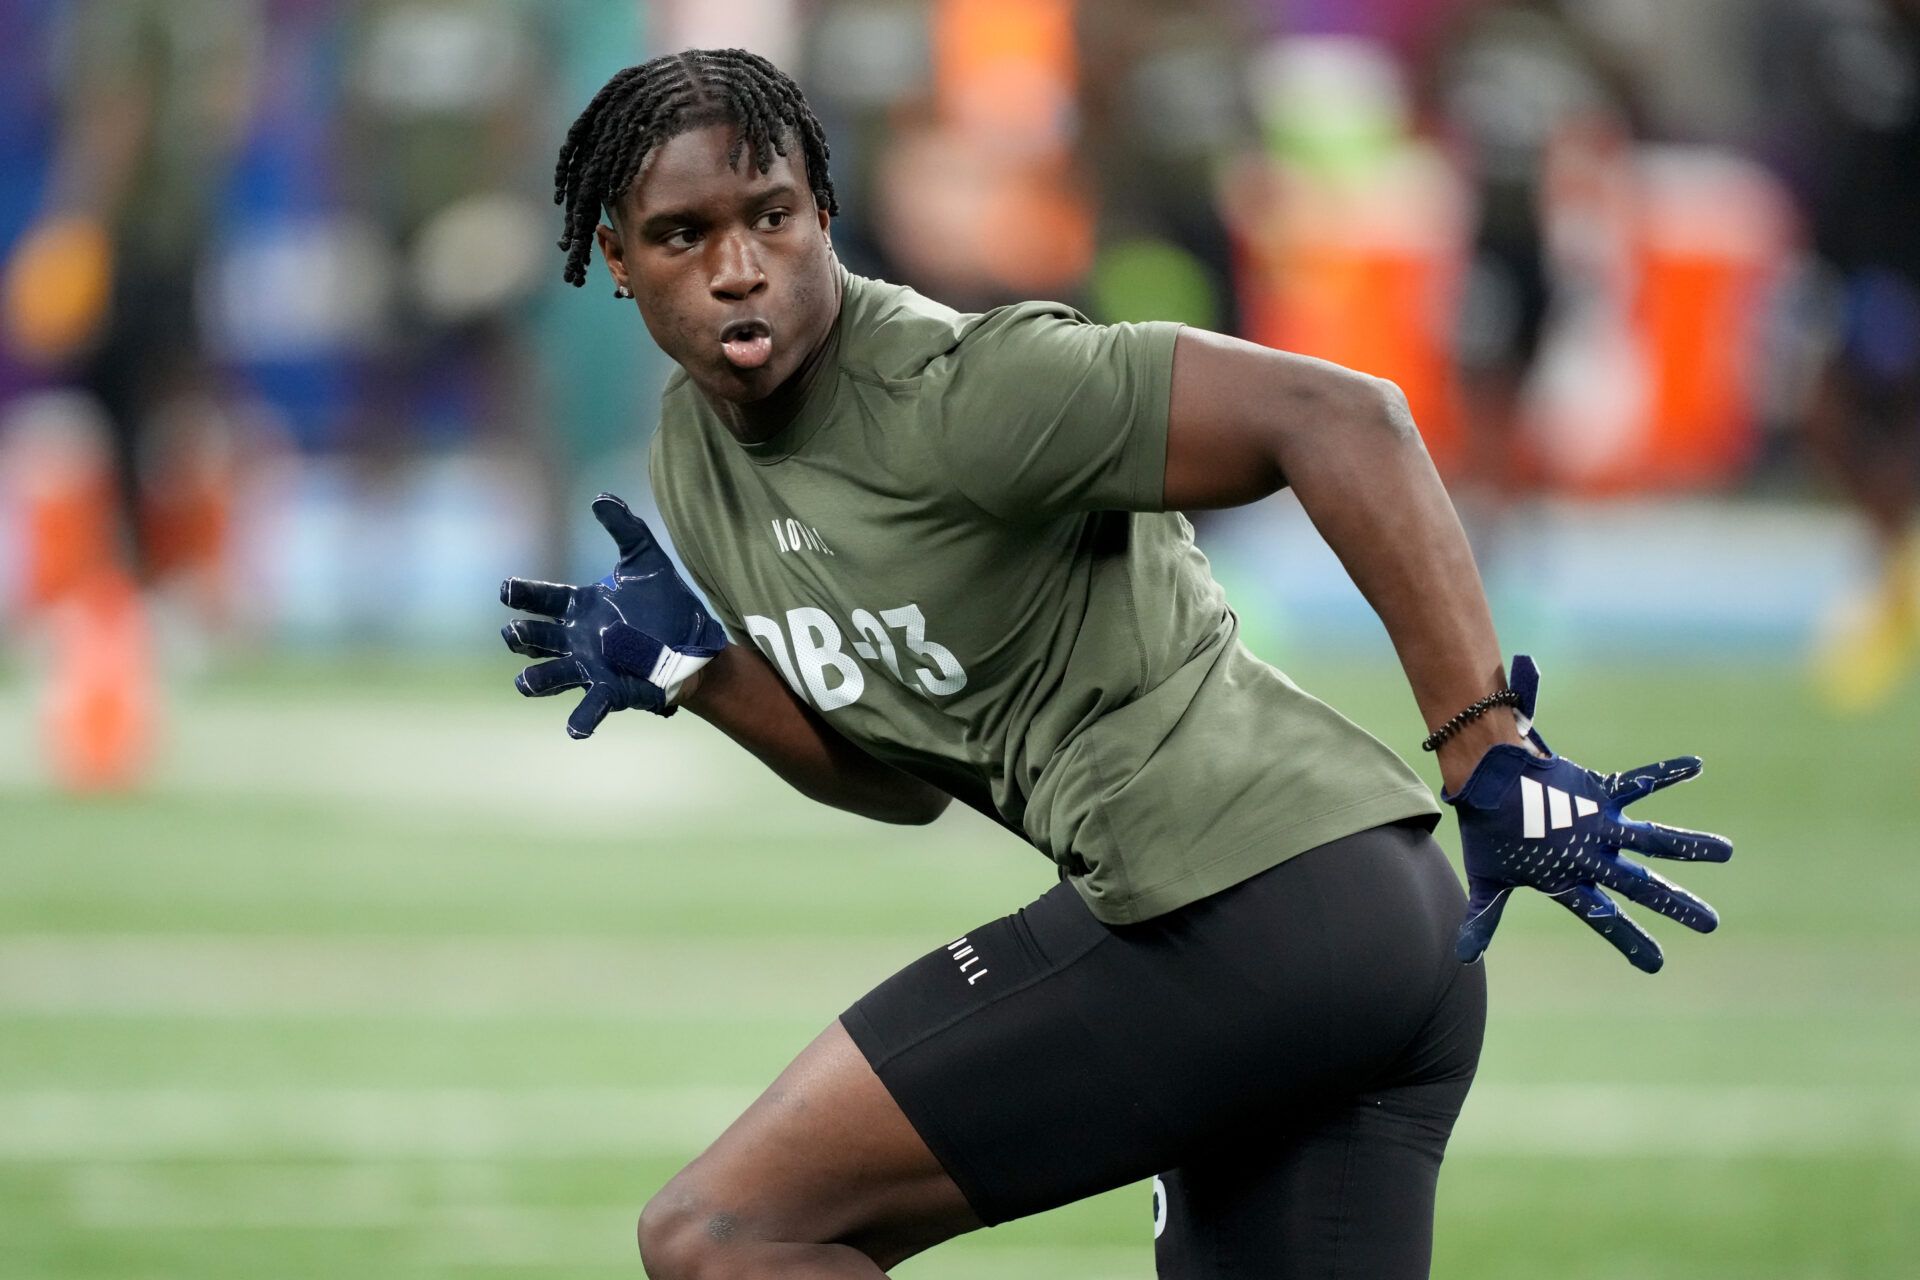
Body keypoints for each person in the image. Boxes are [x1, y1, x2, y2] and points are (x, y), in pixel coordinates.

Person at [499, 49, 1732, 1279]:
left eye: (769, 216)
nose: (736, 265)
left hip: (1247, 907)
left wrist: (1487, 742)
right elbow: (904, 776)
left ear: (826, 207)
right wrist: (701, 674)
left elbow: (1344, 415)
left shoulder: (970, 386)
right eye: (681, 234)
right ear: (616, 259)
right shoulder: (694, 457)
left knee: (724, 1231)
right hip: (1333, 935)